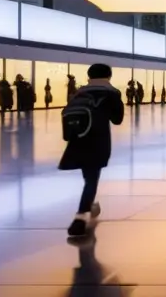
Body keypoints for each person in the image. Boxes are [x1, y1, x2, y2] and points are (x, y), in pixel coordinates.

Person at [59, 63, 125, 238]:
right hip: (98, 140)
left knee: (89, 177)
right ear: (109, 76)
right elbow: (117, 119)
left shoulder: (79, 93)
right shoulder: (111, 93)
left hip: (77, 139)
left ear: (89, 75)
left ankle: (91, 204)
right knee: (92, 179)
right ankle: (80, 218)